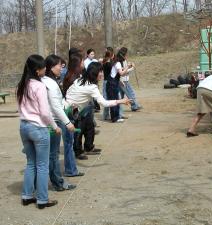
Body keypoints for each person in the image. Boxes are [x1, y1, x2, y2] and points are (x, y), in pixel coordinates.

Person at [17, 54, 59, 209]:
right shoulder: (39, 86)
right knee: (42, 165)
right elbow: (45, 112)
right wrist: (55, 126)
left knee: (31, 163)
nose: (45, 69)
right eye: (43, 67)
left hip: (24, 126)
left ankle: (27, 196)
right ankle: (42, 199)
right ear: (37, 70)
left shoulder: (22, 84)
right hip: (39, 128)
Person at [63, 62, 131, 154]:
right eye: (100, 72)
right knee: (77, 131)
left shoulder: (80, 80)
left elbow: (69, 91)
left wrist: (70, 101)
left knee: (88, 126)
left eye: (102, 71)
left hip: (75, 108)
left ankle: (87, 148)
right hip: (70, 112)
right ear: (94, 73)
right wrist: (121, 101)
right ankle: (77, 152)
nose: (102, 74)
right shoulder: (91, 87)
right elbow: (104, 103)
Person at [41, 54, 77, 191]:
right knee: (53, 154)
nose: (61, 68)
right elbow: (55, 106)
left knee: (49, 155)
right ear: (51, 67)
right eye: (59, 66)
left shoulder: (47, 81)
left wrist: (68, 104)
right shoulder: (49, 82)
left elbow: (58, 101)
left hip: (48, 120)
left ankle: (53, 181)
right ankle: (57, 182)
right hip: (52, 122)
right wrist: (68, 123)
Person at [106, 48, 133, 123]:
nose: (126, 58)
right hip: (112, 83)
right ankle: (115, 118)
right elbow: (121, 73)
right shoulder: (117, 63)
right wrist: (128, 66)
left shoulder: (115, 62)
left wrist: (128, 67)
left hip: (112, 82)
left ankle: (115, 117)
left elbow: (119, 71)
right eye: (125, 56)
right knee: (114, 100)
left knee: (115, 99)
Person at [118, 47, 142, 112]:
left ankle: (118, 107)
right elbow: (123, 71)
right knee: (131, 93)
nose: (127, 55)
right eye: (126, 54)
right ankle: (134, 106)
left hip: (124, 80)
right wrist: (132, 68)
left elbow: (126, 69)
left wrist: (130, 66)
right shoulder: (119, 62)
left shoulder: (124, 61)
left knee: (121, 95)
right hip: (123, 81)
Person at [102, 47, 114, 121]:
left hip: (105, 81)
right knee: (108, 98)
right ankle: (107, 115)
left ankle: (106, 115)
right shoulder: (109, 64)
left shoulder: (105, 62)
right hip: (108, 82)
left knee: (106, 98)